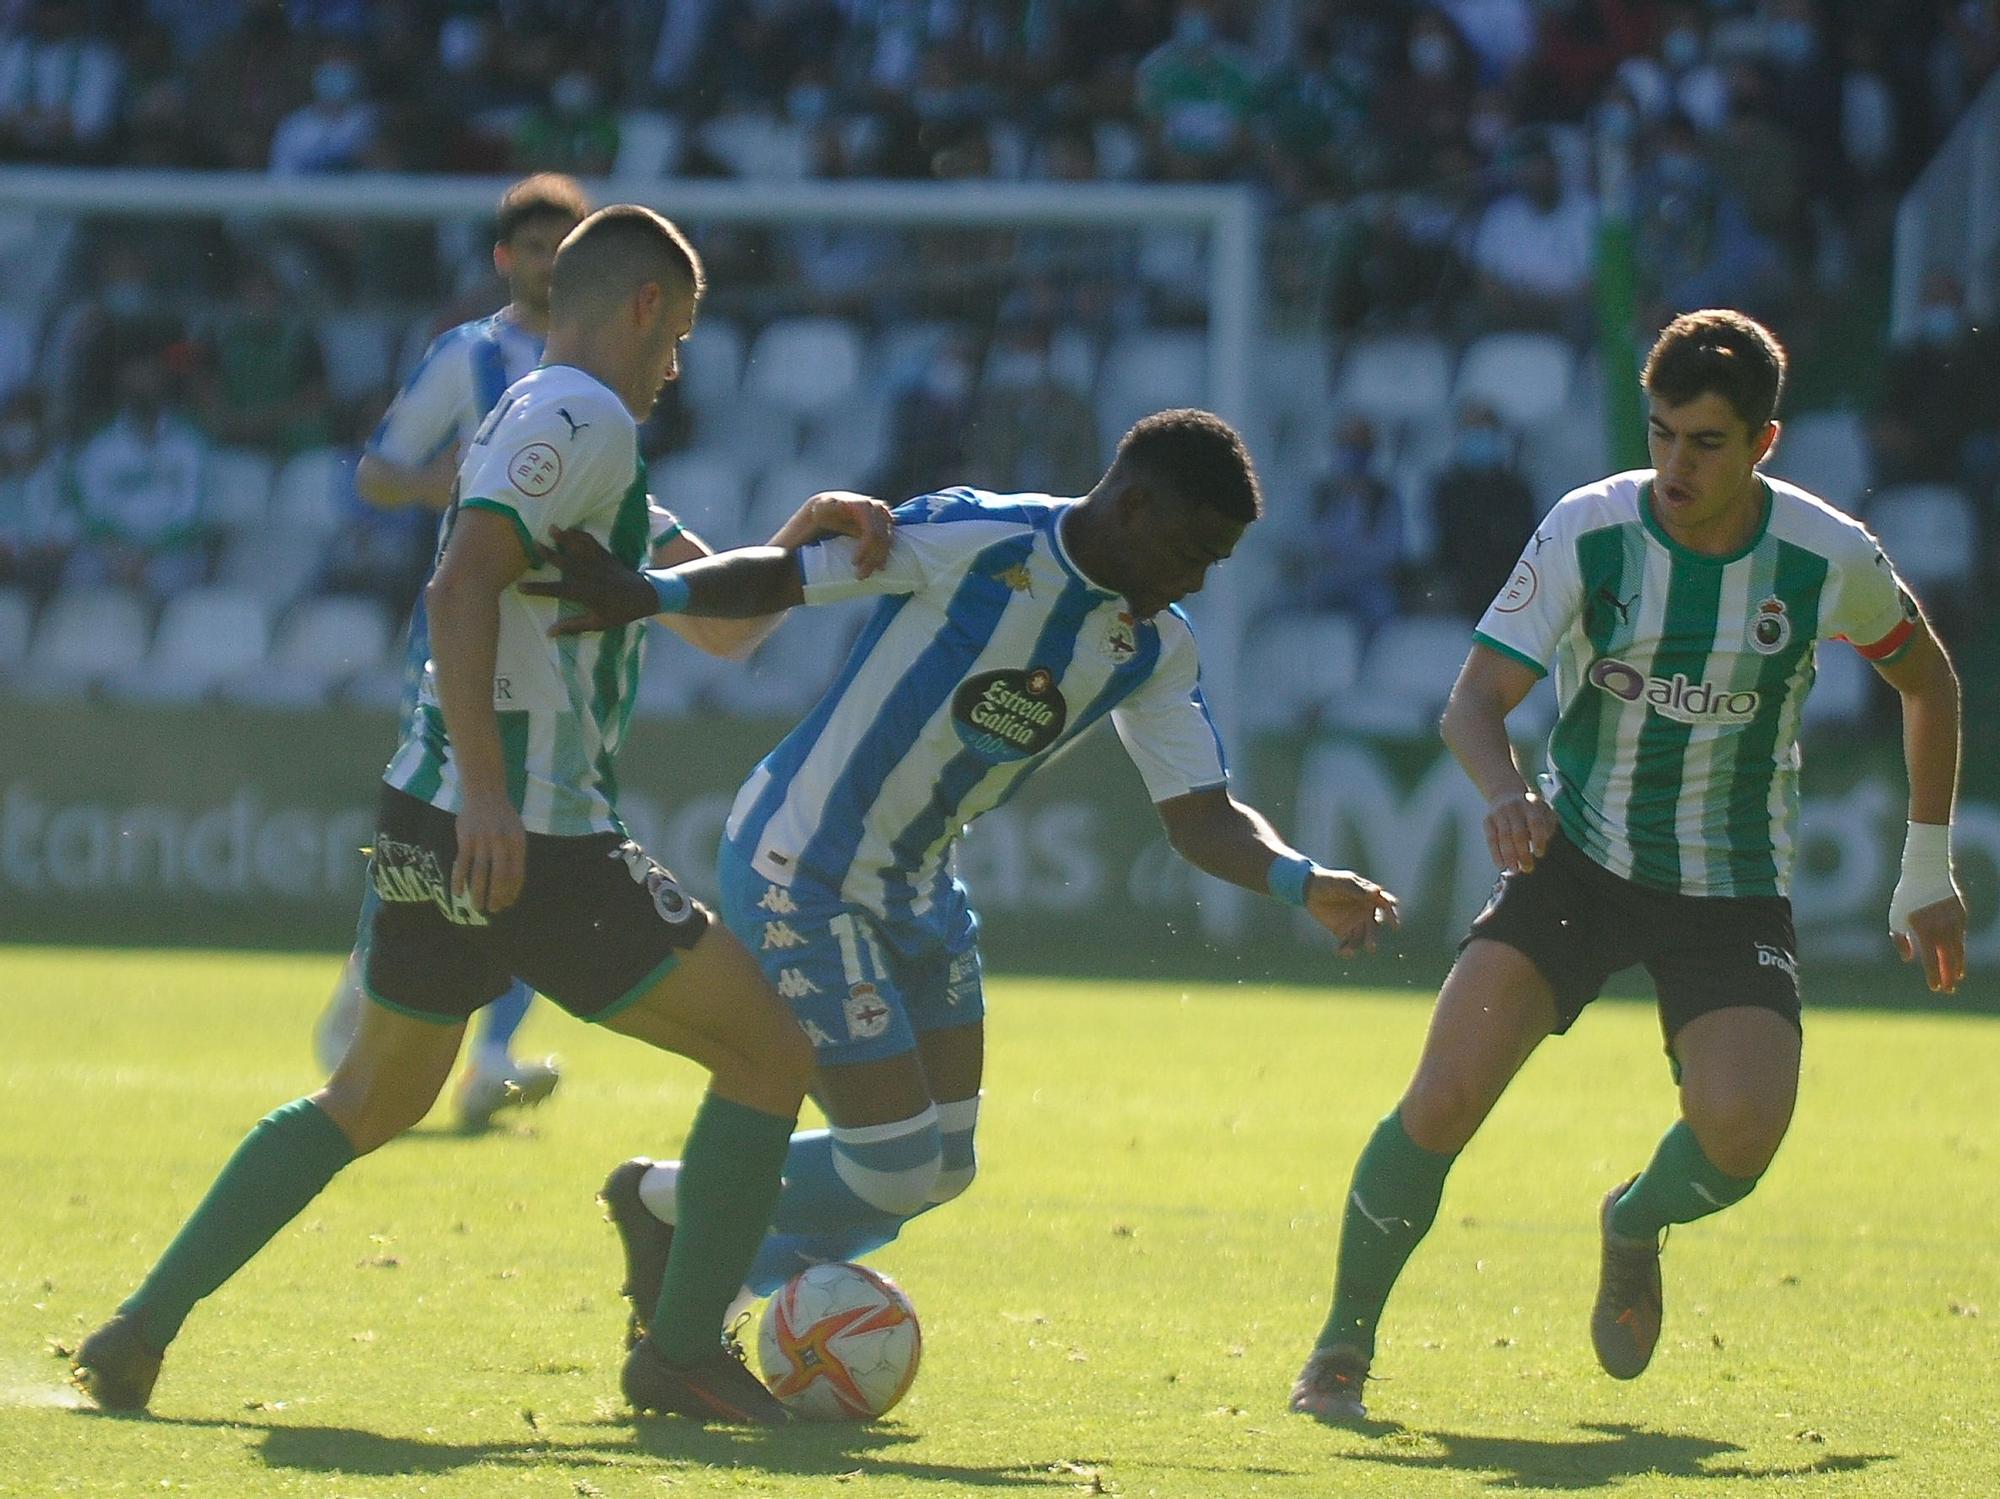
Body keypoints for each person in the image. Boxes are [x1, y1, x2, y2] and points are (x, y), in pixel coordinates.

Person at [71, 204, 892, 1427]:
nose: (678, 368)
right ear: (646, 307)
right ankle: (677, 1352)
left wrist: (797, 545)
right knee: (767, 1051)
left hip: (434, 816)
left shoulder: (556, 426)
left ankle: (137, 1328)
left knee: (371, 1098)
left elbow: (719, 626)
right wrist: (495, 797)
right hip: (528, 831)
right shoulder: (582, 415)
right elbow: (459, 586)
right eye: (681, 338)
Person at [516, 408, 1403, 1348]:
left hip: (919, 888)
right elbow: (787, 574)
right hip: (801, 863)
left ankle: (697, 1241)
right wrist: (649, 592)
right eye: (1190, 551)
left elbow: (1200, 815)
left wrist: (1302, 880)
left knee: (942, 1165)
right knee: (890, 1164)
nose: (1193, 579)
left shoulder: (1153, 645)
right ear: (1134, 505)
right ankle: (680, 1229)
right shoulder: (977, 538)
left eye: (1213, 564)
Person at [1288, 310, 1968, 1425]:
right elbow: (1470, 702)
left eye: (1703, 441)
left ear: (1763, 442)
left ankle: (1632, 1217)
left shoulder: (1822, 554)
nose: (1672, 465)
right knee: (1444, 1093)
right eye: (1659, 434)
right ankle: (1339, 1349)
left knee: (1741, 1132)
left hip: (1729, 880)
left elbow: (1927, 682)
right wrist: (1504, 792)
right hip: (1578, 859)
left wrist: (1924, 862)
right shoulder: (1586, 528)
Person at [311, 173, 589, 1127]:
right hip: (469, 633)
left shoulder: (608, 369)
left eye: (572, 245)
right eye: (540, 246)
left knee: (549, 846)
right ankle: (376, 1002)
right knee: (438, 833)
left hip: (569, 641)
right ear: (507, 259)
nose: (556, 263)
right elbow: (379, 473)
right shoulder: (466, 357)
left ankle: (494, 1056)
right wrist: (468, 493)